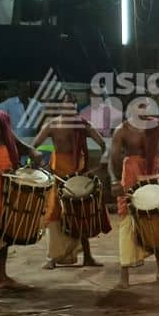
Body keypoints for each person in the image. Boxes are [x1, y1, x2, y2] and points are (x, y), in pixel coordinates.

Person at [109, 98, 159, 289]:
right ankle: (124, 274)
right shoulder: (122, 130)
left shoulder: (158, 127)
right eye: (138, 106)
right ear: (130, 109)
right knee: (128, 220)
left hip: (153, 175)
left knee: (156, 216)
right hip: (131, 177)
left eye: (146, 106)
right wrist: (114, 180)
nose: (143, 110)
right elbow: (112, 159)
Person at [33, 92, 109, 269]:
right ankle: (52, 258)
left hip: (77, 175)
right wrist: (39, 161)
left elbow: (103, 144)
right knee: (54, 214)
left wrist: (104, 160)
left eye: (73, 106)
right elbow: (35, 145)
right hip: (57, 174)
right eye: (66, 105)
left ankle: (88, 257)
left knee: (80, 214)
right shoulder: (52, 124)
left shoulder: (82, 125)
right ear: (61, 107)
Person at [0, 107, 44, 288]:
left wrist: (31, 151)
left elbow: (14, 142)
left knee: (3, 225)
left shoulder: (0, 117)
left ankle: (0, 277)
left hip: (6, 178)